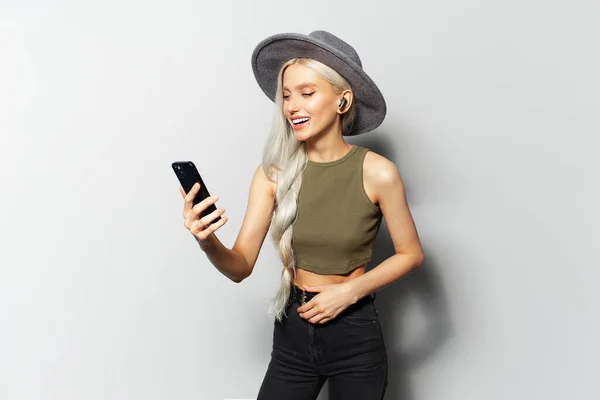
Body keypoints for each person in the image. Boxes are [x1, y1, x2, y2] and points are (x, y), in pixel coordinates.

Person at [179, 30, 424, 400]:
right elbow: (240, 266)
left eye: (307, 93)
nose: (292, 106)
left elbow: (411, 254)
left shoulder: (378, 172)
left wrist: (349, 292)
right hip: (292, 331)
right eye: (287, 95)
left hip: (354, 334)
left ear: (342, 101)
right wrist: (206, 240)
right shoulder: (271, 175)